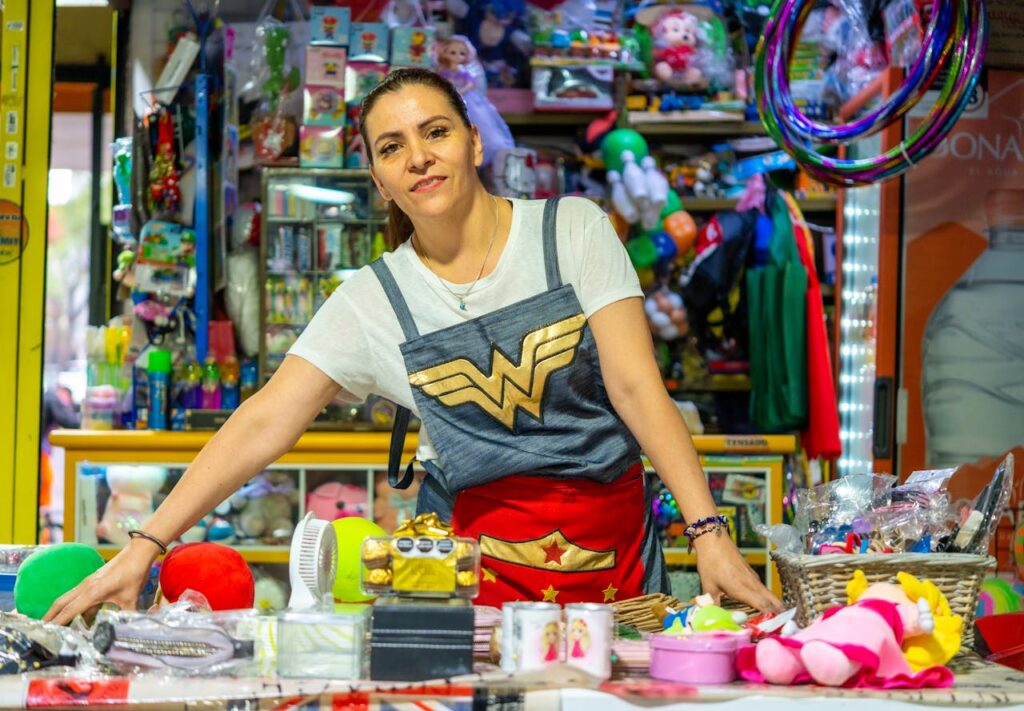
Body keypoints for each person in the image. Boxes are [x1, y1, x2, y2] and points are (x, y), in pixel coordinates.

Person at [46, 68, 781, 624]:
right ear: (378, 179)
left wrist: (709, 529)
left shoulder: (572, 231)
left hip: (615, 566)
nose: (420, 158)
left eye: (435, 132)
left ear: (473, 139)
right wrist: (146, 543)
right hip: (470, 589)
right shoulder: (373, 299)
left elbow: (635, 387)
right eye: (392, 147)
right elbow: (265, 419)